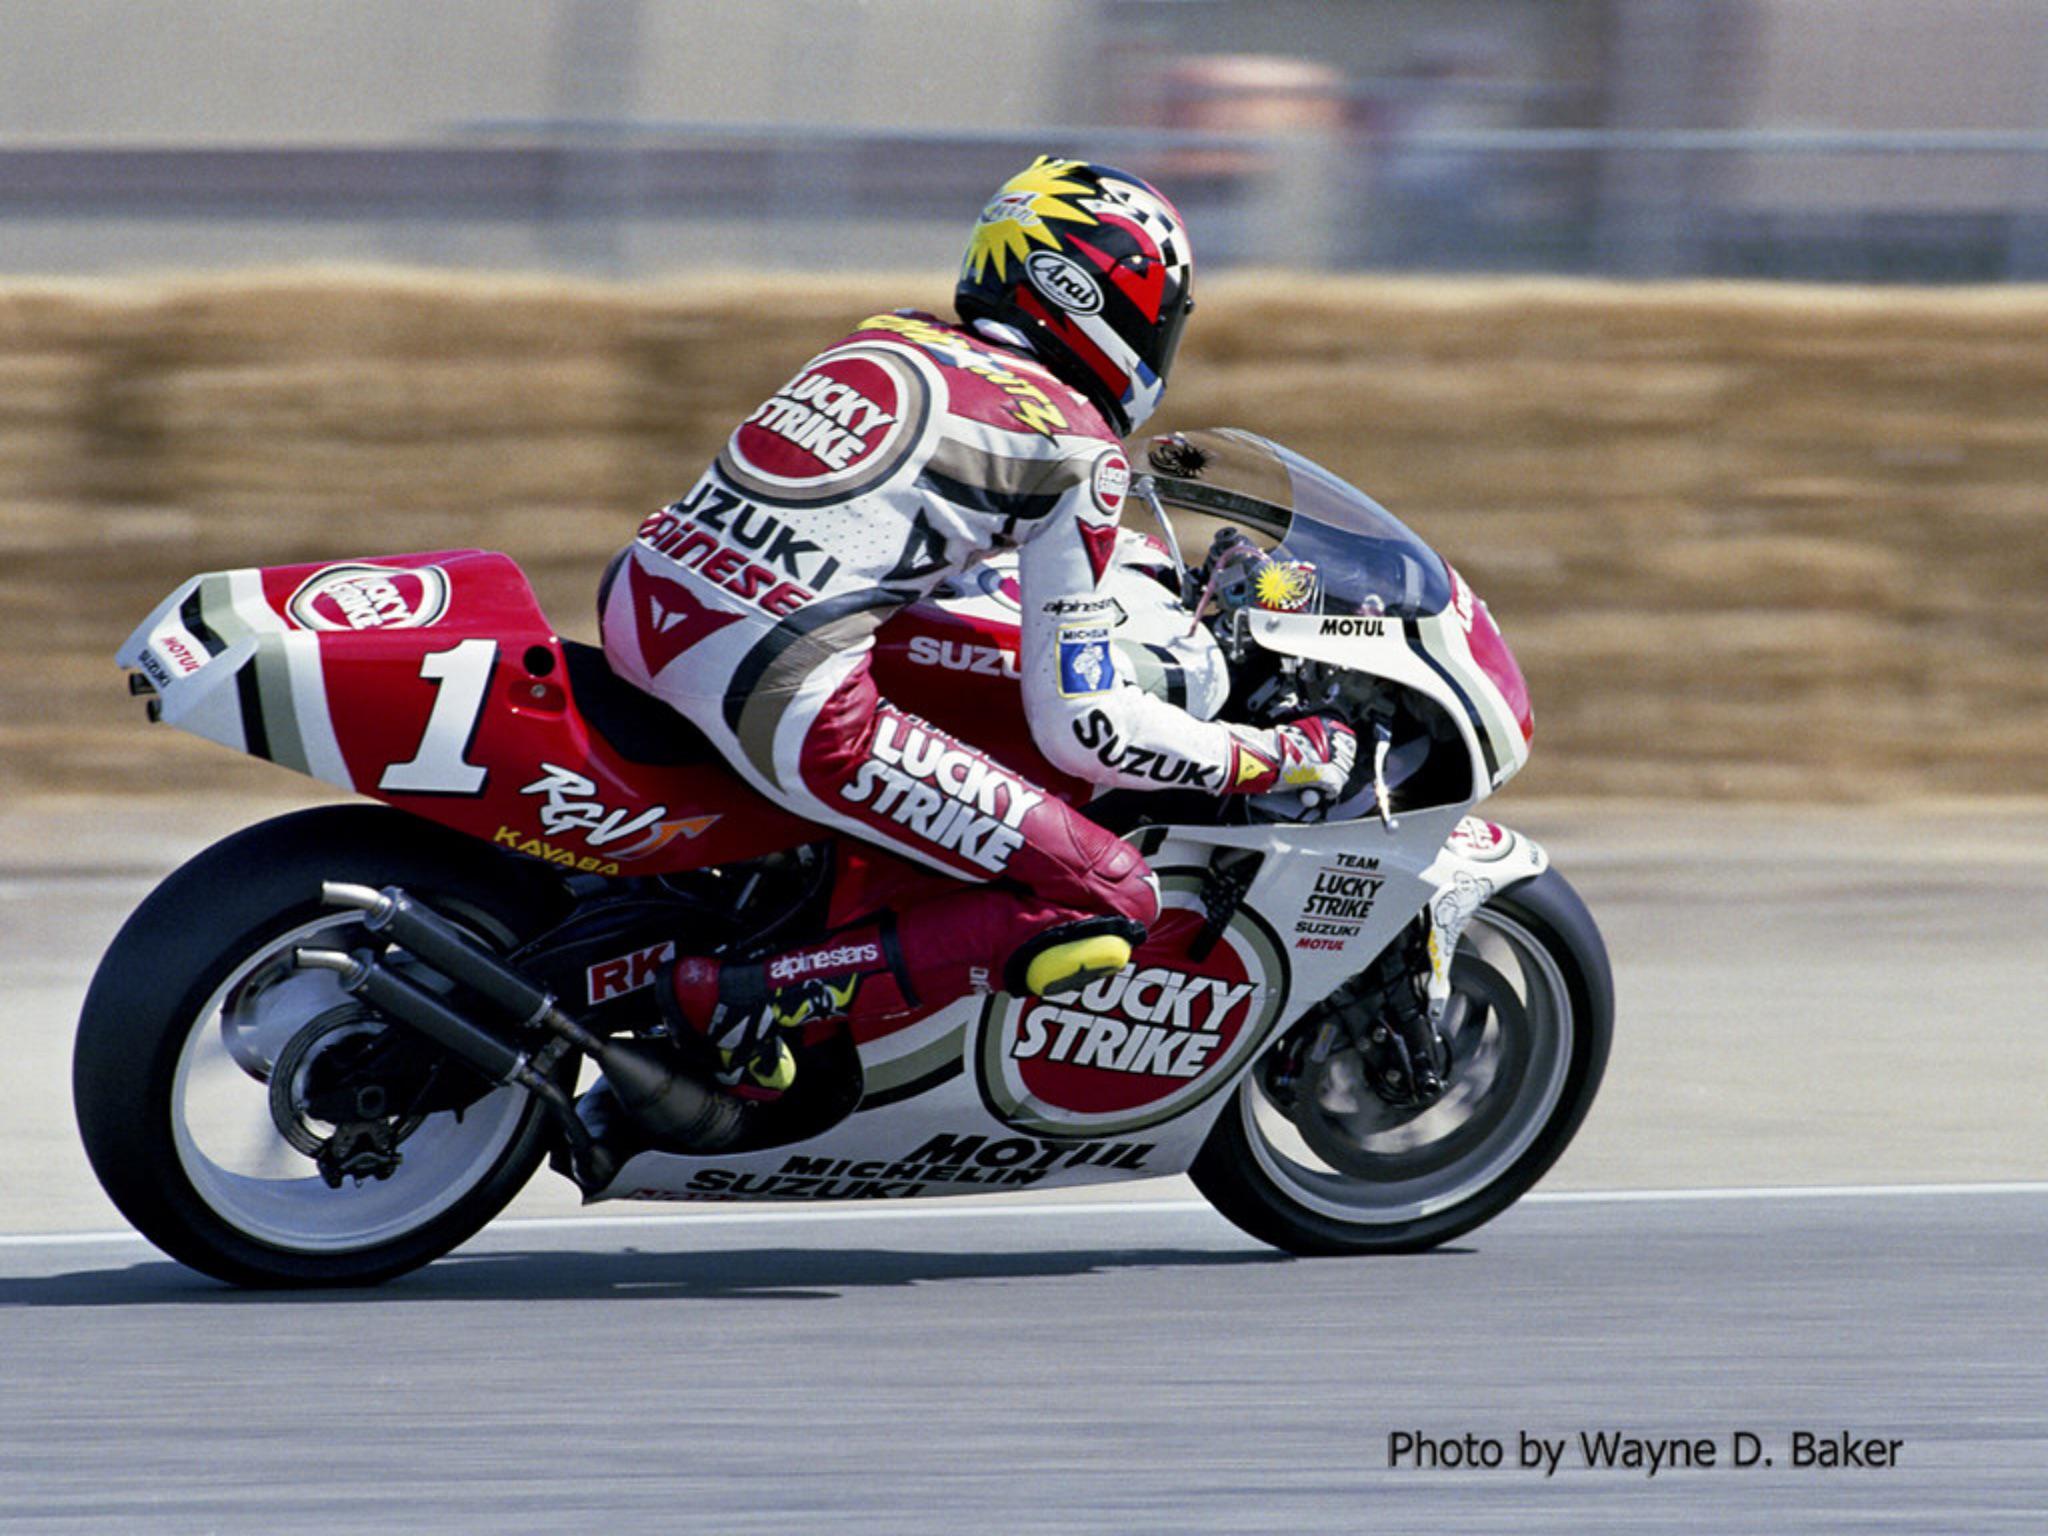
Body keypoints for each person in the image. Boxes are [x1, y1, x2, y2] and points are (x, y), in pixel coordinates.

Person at [599, 156, 1356, 1100]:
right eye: (1162, 314)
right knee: (1105, 891)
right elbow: (1088, 727)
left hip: (643, 603)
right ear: (1099, 296)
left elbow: (915, 530)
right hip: (781, 690)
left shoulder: (890, 338)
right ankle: (739, 993)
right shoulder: (1079, 441)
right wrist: (1274, 757)